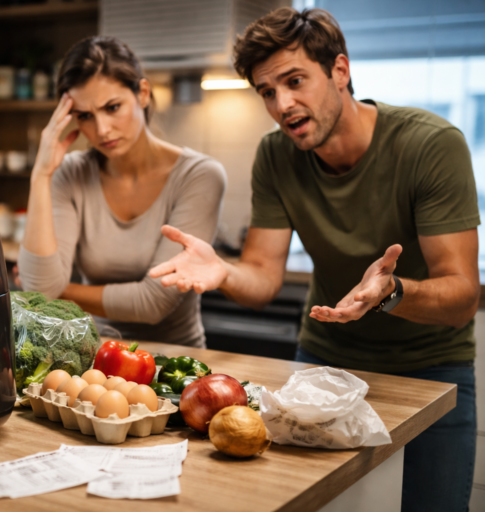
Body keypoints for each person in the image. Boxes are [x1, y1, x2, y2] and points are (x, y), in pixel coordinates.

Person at [149, 7, 478, 511]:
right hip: (324, 363)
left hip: (430, 370)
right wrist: (225, 272)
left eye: (295, 80)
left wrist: (390, 292)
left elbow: (461, 295)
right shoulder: (276, 156)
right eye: (267, 91)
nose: (283, 104)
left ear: (340, 71)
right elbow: (261, 278)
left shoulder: (430, 145)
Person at [17, 36, 227, 348]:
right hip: (94, 357)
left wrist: (61, 291)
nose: (101, 130)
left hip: (174, 365)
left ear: (142, 93)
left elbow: (152, 302)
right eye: (85, 116)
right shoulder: (69, 172)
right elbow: (40, 290)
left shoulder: (200, 175)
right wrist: (41, 173)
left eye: (112, 107)